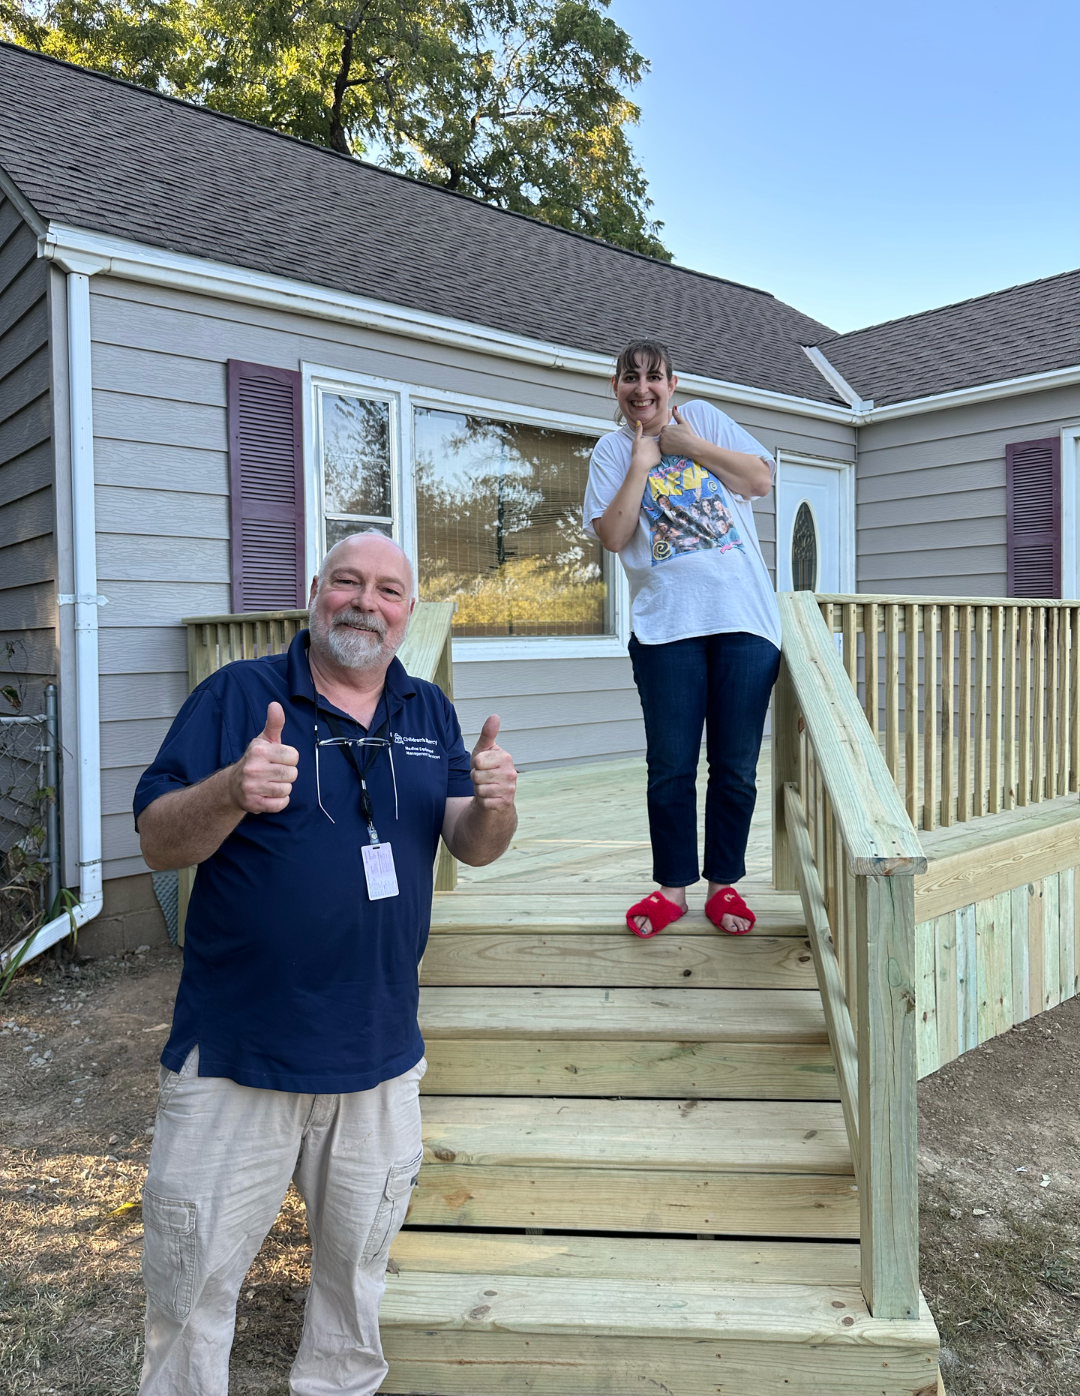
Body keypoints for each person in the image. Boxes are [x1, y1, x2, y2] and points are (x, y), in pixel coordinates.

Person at [132, 531, 517, 1396]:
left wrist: (496, 808)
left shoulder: (427, 710)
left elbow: (470, 841)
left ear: (407, 612)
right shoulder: (238, 695)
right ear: (315, 591)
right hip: (238, 1055)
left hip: (380, 1059)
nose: (365, 603)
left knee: (354, 1293)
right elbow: (158, 841)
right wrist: (233, 788)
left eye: (387, 590)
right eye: (347, 581)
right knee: (190, 1293)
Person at [582, 340, 781, 939]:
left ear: (673, 383)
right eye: (629, 379)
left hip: (745, 622)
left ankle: (725, 886)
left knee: (736, 766)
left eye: (653, 378)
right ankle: (672, 886)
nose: (642, 388)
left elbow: (760, 480)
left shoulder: (707, 419)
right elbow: (614, 537)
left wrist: (687, 445)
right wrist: (643, 462)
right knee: (670, 767)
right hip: (667, 628)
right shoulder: (610, 452)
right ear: (615, 388)